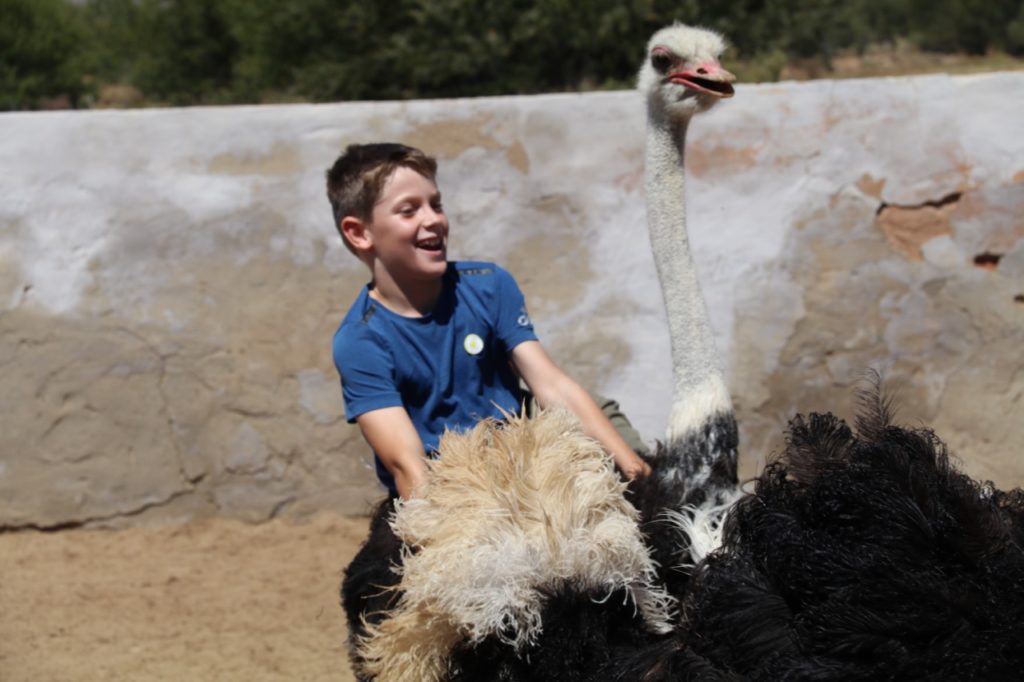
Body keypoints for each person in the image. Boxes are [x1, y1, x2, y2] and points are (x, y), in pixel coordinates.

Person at [327, 142, 650, 499]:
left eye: (436, 204)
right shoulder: (361, 340)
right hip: (449, 476)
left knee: (601, 413)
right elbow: (407, 464)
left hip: (521, 444)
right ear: (359, 232)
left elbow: (553, 387)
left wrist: (638, 477)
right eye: (408, 210)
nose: (432, 219)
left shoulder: (489, 285)